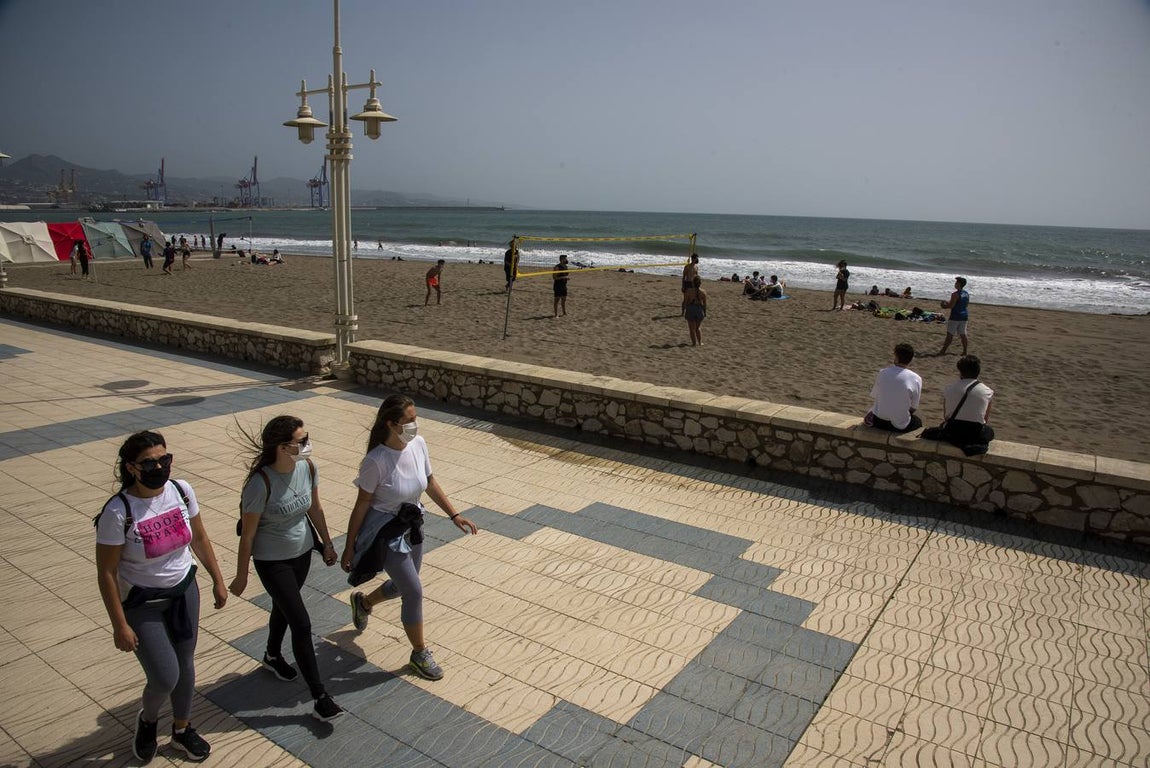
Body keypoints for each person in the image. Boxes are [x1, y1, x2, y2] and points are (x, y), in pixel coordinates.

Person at [95, 431, 228, 763]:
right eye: (149, 462)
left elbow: (199, 536)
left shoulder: (181, 491)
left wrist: (217, 579)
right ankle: (148, 720)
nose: (159, 466)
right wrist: (119, 625)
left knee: (185, 666)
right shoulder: (118, 511)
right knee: (165, 676)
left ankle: (182, 729)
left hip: (184, 591)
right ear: (131, 467)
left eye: (164, 459)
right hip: (143, 603)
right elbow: (107, 573)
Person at [342, 395, 479, 681]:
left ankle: (364, 603)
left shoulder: (419, 444)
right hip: (386, 532)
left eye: (416, 419)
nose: (415, 425)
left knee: (408, 584)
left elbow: (429, 482)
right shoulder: (375, 461)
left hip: (412, 524)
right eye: (409, 421)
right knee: (414, 591)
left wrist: (455, 515)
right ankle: (419, 653)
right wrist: (349, 547)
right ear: (391, 424)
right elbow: (362, 505)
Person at [229, 416, 345, 722]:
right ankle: (320, 696)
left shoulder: (308, 468)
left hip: (302, 552)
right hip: (272, 561)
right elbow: (249, 534)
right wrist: (241, 575)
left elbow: (315, 508)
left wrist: (328, 544)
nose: (307, 445)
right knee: (301, 623)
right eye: (302, 440)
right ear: (282, 447)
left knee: (284, 606)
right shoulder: (259, 483)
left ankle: (271, 654)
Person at [924, 355, 995, 455]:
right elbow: (985, 420)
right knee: (990, 432)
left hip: (953, 431)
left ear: (960, 372)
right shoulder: (987, 391)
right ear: (978, 372)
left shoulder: (949, 389)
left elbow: (946, 416)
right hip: (974, 432)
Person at [865, 343, 923, 433]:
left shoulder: (883, 373)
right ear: (910, 359)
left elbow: (875, 395)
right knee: (918, 421)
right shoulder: (916, 378)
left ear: (896, 357)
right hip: (899, 425)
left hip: (879, 421)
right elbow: (914, 407)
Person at [939, 276, 970, 355]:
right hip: (964, 315)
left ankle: (943, 350)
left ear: (959, 284)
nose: (955, 284)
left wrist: (944, 305)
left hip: (955, 316)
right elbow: (965, 304)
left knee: (950, 334)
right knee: (963, 334)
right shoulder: (966, 294)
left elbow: (951, 305)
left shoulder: (955, 294)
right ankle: (965, 351)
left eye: (956, 283)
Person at [684, 275, 707, 346]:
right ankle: (700, 342)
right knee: (697, 328)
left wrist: (686, 309)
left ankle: (694, 343)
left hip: (691, 308)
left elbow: (685, 302)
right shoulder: (703, 292)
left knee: (692, 329)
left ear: (693, 283)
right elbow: (705, 304)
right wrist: (705, 312)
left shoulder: (689, 291)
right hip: (699, 309)